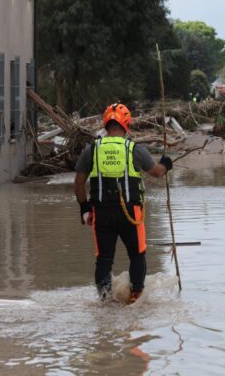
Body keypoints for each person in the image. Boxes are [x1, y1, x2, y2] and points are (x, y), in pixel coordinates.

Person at [74, 103, 172, 304]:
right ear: (126, 124)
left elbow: (78, 183)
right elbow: (157, 173)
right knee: (137, 255)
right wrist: (166, 163)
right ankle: (135, 297)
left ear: (106, 124)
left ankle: (105, 301)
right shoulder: (135, 150)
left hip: (101, 214)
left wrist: (84, 208)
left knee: (103, 259)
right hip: (131, 214)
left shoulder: (92, 150)